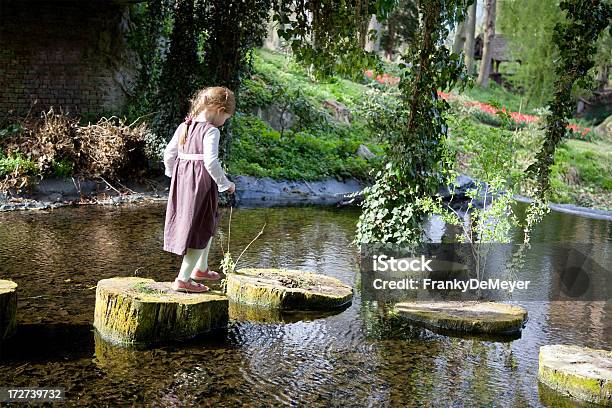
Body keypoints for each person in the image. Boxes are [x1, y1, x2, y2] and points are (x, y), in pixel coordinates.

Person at [162, 86, 236, 293]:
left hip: (183, 181)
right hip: (201, 183)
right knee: (199, 227)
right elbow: (211, 163)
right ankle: (183, 279)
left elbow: (169, 153)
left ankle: (201, 268)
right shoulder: (211, 131)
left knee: (208, 222)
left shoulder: (184, 126)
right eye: (227, 117)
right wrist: (225, 184)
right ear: (219, 110)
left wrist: (172, 174)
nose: (225, 122)